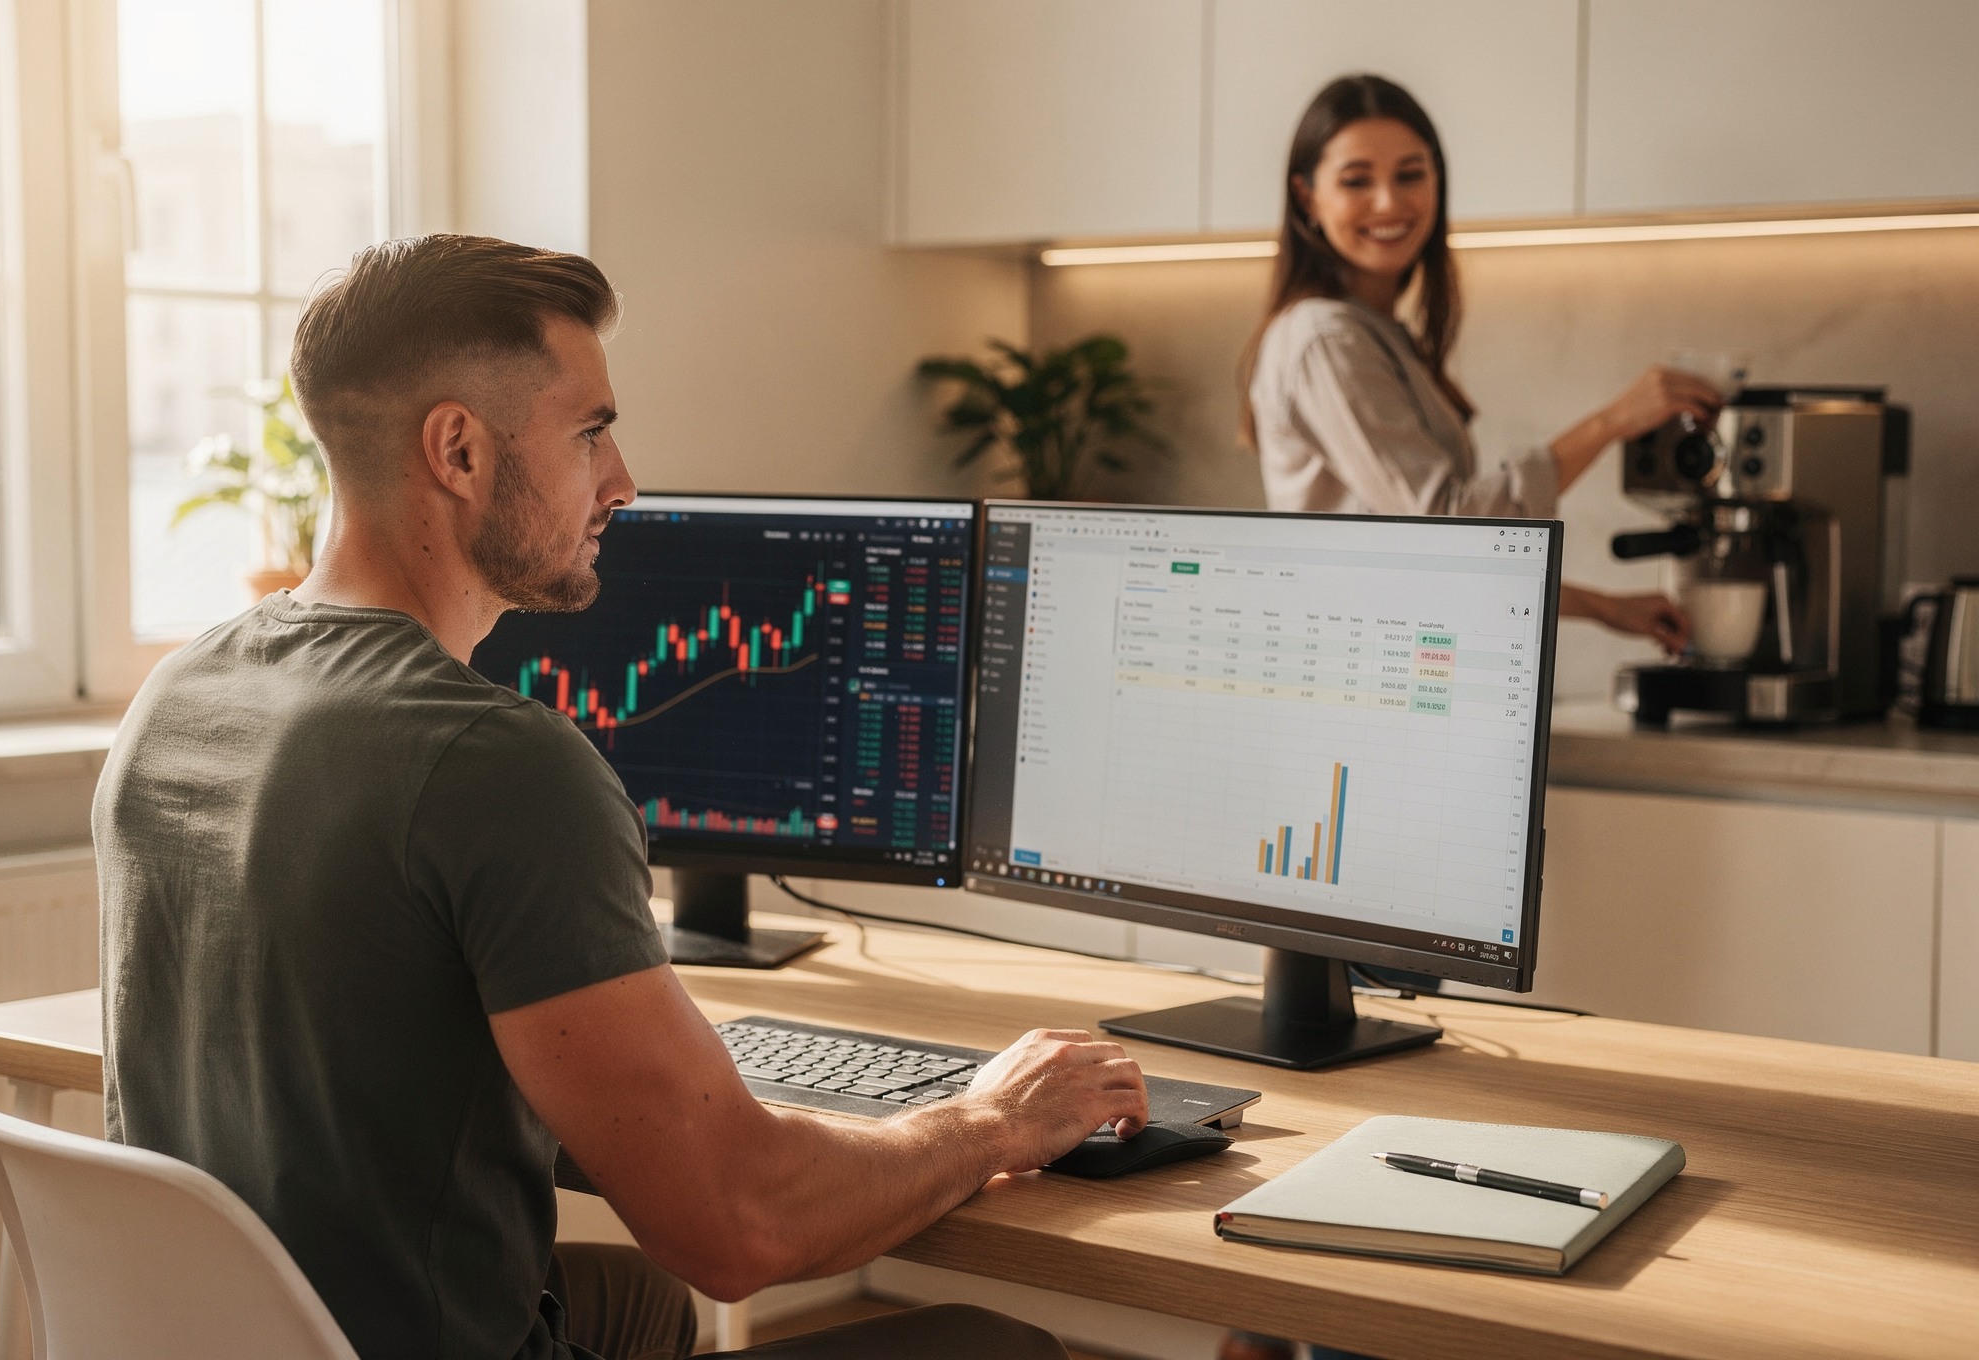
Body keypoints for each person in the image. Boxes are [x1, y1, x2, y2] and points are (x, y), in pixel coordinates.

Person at [95, 235, 1149, 1360]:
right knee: (988, 1344)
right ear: (456, 448)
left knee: (638, 1304)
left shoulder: (177, 692)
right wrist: (989, 1118)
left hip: (252, 1334)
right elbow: (738, 1224)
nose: (621, 480)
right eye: (589, 431)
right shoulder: (497, 763)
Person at [1240, 73, 1724, 654]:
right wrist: (1613, 422)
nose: (1389, 202)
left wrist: (1602, 606)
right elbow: (1450, 527)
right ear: (1307, 197)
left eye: (1410, 175)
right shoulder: (1326, 340)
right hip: (1363, 680)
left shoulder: (1377, 335)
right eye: (1356, 180)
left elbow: (1430, 564)